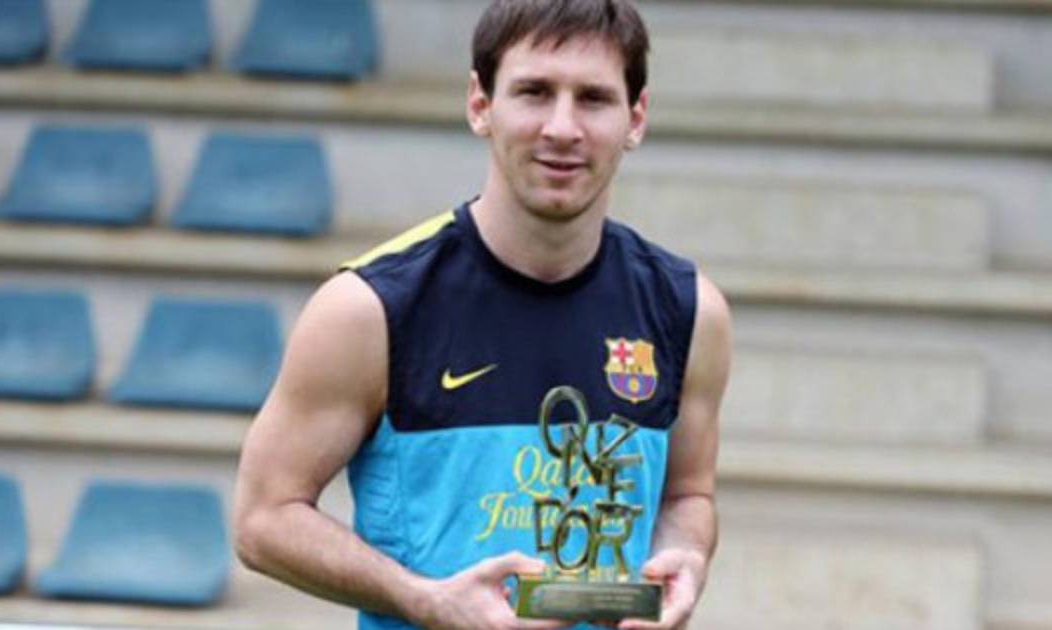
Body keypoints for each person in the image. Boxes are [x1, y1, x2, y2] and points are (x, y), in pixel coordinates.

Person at [233, 1, 731, 628]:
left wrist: (685, 556)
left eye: (593, 99)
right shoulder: (370, 308)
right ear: (480, 104)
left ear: (635, 118)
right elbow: (262, 519)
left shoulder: (689, 310)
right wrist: (421, 596)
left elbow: (688, 495)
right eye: (534, 92)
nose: (562, 128)